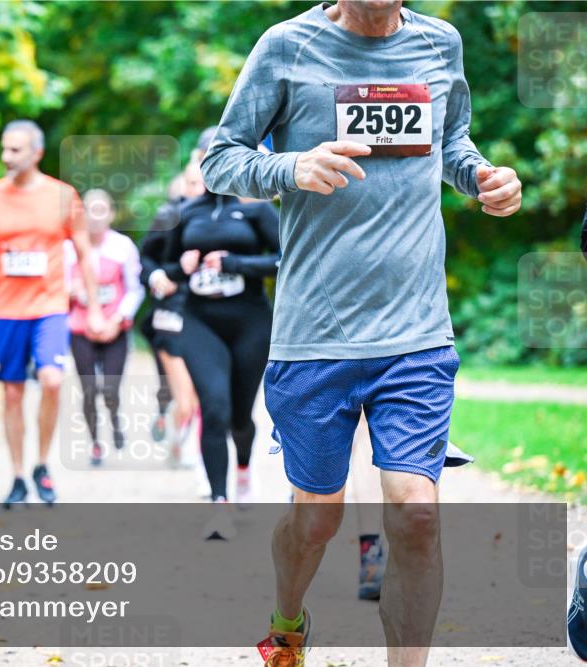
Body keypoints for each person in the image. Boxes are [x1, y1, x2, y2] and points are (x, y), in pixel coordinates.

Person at [200, 0, 522, 664]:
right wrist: (289, 168)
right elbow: (220, 160)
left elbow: (451, 143)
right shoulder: (287, 46)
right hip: (315, 335)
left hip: (416, 331)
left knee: (417, 514)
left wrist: (482, 177)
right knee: (316, 516)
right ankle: (287, 622)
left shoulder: (440, 44)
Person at [0, 119, 104, 509]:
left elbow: (85, 255)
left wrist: (94, 308)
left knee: (52, 380)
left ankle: (42, 464)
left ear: (36, 153)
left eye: (15, 150)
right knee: (12, 393)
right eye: (4, 148)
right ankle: (16, 476)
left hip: (50, 308)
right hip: (6, 311)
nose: (6, 156)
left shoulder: (63, 196)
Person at [162, 152, 281, 532]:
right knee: (214, 407)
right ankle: (219, 503)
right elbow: (161, 266)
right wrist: (177, 269)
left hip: (250, 322)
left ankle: (243, 469)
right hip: (200, 322)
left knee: (240, 417)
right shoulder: (185, 213)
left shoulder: (256, 210)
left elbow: (287, 258)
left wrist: (237, 264)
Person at [64, 189, 145, 466]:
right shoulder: (68, 248)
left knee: (110, 388)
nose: (95, 217)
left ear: (111, 214)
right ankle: (95, 444)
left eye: (101, 210)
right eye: (89, 210)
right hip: (80, 328)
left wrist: (118, 320)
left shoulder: (123, 247)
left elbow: (135, 289)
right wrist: (72, 291)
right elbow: (57, 287)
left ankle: (115, 420)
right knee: (88, 389)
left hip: (114, 329)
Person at [139, 172, 204, 467]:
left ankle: (183, 437)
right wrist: (157, 277)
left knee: (201, 388)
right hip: (170, 314)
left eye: (202, 184)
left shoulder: (223, 217)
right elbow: (145, 258)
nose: (198, 189)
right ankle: (182, 438)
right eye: (192, 184)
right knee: (182, 389)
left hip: (206, 316)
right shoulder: (168, 216)